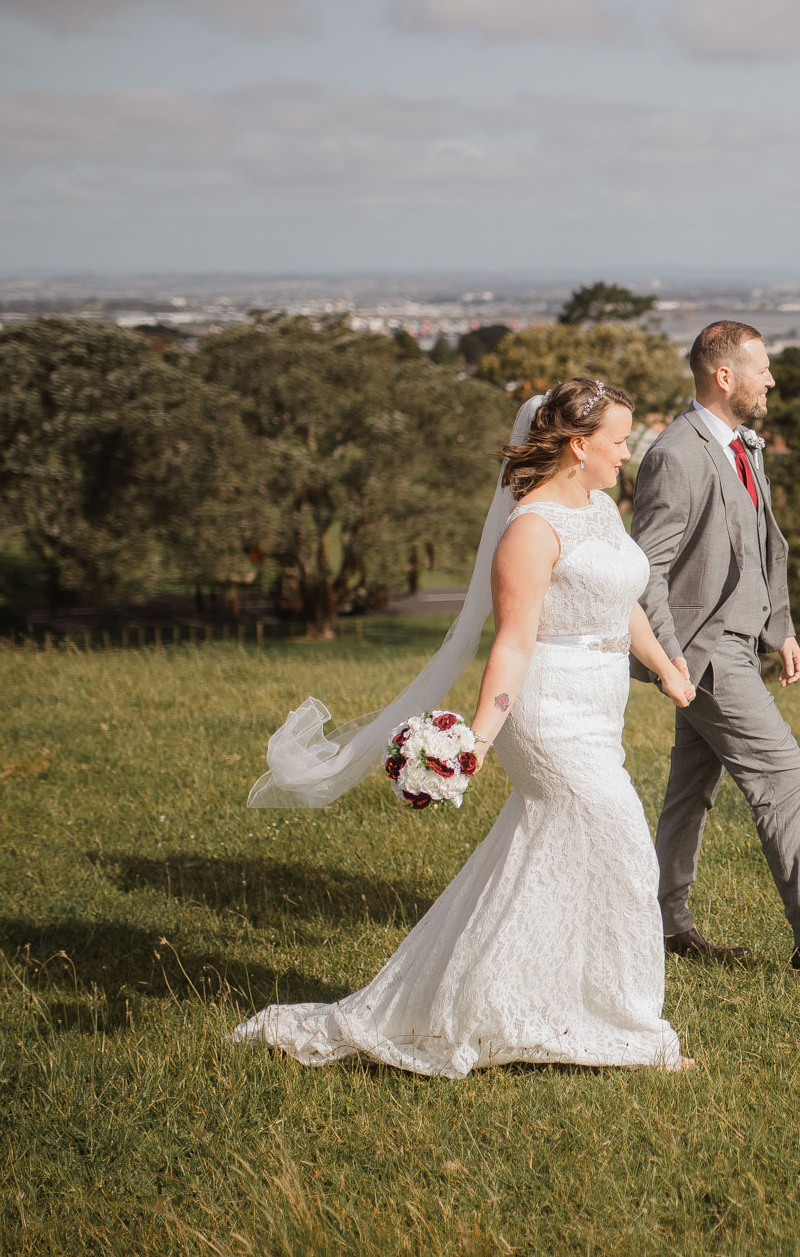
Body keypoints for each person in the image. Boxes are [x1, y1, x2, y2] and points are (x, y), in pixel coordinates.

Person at [233, 379, 700, 1077]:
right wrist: (475, 741)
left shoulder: (600, 509)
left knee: (548, 853)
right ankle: (627, 1022)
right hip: (547, 710)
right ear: (579, 445)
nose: (627, 452)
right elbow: (511, 643)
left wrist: (665, 664)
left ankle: (518, 1002)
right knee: (627, 847)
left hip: (601, 711)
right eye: (618, 441)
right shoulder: (530, 529)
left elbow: (619, 597)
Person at [631, 320, 800, 977]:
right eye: (762, 368)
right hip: (707, 655)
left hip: (743, 643)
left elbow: (762, 544)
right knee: (786, 774)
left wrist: (782, 627)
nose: (772, 379)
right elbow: (646, 573)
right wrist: (672, 662)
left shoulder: (743, 444)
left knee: (688, 792)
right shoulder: (677, 454)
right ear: (725, 376)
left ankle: (665, 927)